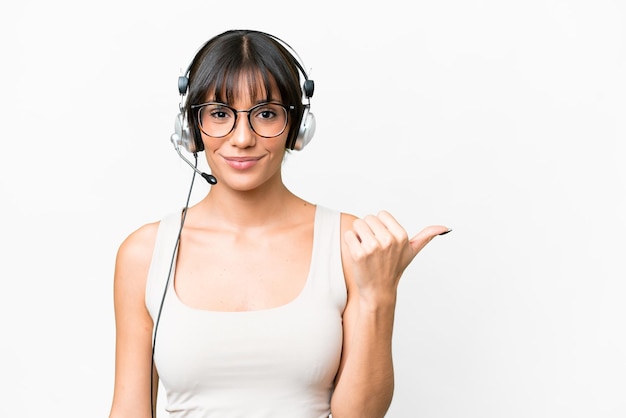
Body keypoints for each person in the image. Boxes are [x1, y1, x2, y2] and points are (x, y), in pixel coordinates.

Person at [108, 29, 450, 418]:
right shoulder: (145, 253)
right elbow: (129, 411)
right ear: (191, 128)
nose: (241, 138)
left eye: (266, 114)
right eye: (220, 113)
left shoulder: (350, 243)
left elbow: (360, 416)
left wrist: (380, 295)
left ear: (298, 127)